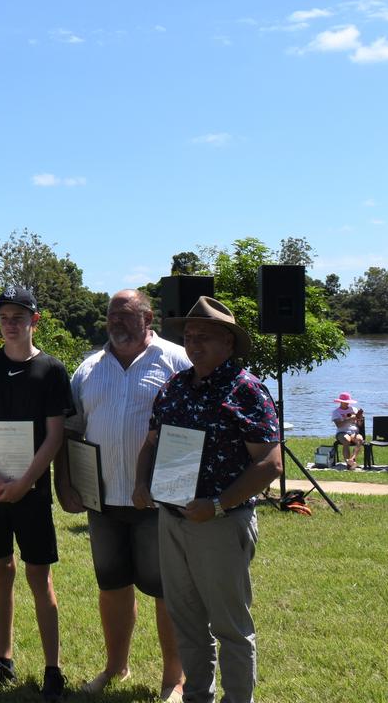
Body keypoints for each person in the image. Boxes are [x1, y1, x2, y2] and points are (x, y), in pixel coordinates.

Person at [133, 296, 282, 703]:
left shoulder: (247, 390)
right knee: (187, 623)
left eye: (205, 337)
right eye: (190, 336)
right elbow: (151, 442)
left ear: (229, 343)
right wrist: (141, 482)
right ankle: (198, 696)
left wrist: (217, 504)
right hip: (172, 519)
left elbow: (270, 464)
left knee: (231, 627)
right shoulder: (176, 386)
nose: (194, 344)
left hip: (218, 523)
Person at [58, 289, 188, 702]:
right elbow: (71, 430)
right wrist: (65, 483)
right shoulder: (89, 368)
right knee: (112, 585)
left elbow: (192, 429)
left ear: (148, 318)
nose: (116, 322)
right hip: (103, 501)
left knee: (166, 590)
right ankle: (116, 666)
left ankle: (174, 678)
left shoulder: (175, 360)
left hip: (158, 501)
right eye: (112, 315)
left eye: (126, 315)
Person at [0, 285, 71, 702]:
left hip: (32, 489)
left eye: (18, 317)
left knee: (39, 576)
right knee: (0, 571)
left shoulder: (52, 370)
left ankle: (52, 669)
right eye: (4, 317)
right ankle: (3, 660)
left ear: (33, 321)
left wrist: (26, 482)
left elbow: (55, 435)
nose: (10, 324)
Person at [330, 392, 363, 470]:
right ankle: (348, 463)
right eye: (345, 402)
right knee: (346, 440)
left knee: (360, 439)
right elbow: (339, 425)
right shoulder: (336, 412)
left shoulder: (354, 409)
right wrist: (349, 419)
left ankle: (351, 460)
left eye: (348, 402)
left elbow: (360, 424)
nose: (347, 403)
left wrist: (359, 418)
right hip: (341, 432)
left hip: (354, 432)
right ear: (340, 402)